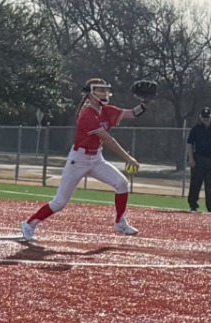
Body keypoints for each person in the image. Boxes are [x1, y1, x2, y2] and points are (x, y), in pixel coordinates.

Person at [20, 78, 145, 240]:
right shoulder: (87, 115)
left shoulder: (105, 109)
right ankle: (29, 224)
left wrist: (145, 102)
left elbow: (133, 113)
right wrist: (128, 158)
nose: (104, 93)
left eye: (105, 89)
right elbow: (108, 139)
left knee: (121, 183)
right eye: (100, 90)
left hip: (96, 158)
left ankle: (120, 222)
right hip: (78, 160)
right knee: (60, 202)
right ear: (90, 93)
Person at [186, 107, 211, 212]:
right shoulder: (196, 129)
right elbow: (189, 144)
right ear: (200, 117)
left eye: (208, 117)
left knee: (210, 184)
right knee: (195, 183)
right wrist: (191, 159)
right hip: (198, 159)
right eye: (204, 117)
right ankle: (193, 204)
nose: (206, 119)